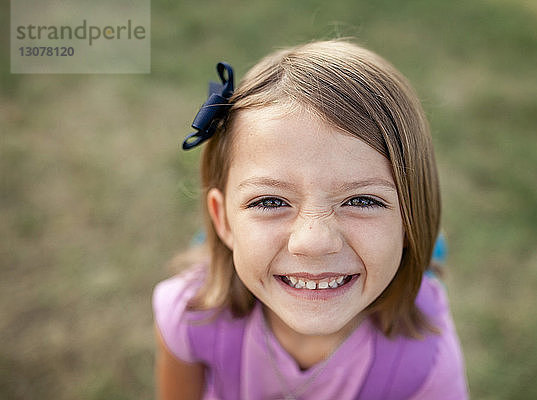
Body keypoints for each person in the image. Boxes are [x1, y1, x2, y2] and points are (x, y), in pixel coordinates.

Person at [153, 40, 468, 399]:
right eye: (270, 201)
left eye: (361, 200)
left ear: (411, 220)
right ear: (222, 220)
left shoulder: (425, 359)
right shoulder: (189, 317)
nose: (314, 242)